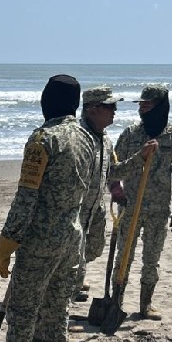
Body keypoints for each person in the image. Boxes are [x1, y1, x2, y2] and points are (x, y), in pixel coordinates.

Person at [0, 75, 98, 342]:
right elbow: (89, 189)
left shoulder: (43, 139)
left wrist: (5, 245)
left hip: (41, 238)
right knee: (58, 303)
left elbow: (26, 199)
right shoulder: (86, 138)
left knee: (23, 306)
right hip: (72, 234)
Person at [108, 84, 172, 321]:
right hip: (130, 206)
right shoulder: (130, 134)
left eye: (147, 105)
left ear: (160, 106)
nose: (142, 109)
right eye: (141, 105)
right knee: (124, 257)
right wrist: (115, 189)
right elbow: (113, 168)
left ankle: (146, 304)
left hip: (158, 208)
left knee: (151, 260)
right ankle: (116, 302)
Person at [73, 86, 122, 303]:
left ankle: (76, 277)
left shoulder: (106, 139)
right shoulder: (79, 138)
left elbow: (113, 169)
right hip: (77, 207)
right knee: (75, 251)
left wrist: (140, 159)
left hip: (96, 205)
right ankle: (72, 284)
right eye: (109, 106)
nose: (115, 111)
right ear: (92, 109)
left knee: (94, 247)